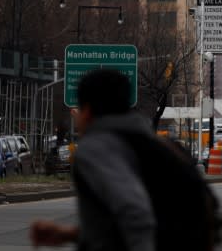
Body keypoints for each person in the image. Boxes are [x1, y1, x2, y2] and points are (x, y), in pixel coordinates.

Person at [29, 69, 156, 251]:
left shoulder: (96, 148)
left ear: (86, 111)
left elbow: (135, 215)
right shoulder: (152, 144)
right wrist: (70, 234)